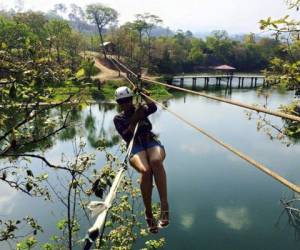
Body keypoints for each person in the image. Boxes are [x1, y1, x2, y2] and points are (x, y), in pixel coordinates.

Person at [113, 86, 169, 233]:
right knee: (145, 170)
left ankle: (164, 207)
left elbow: (153, 107)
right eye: (122, 101)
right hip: (135, 146)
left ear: (131, 99)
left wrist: (143, 94)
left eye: (127, 100)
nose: (125, 103)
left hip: (150, 141)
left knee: (156, 162)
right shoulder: (118, 118)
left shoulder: (141, 108)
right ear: (118, 103)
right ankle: (148, 213)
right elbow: (127, 136)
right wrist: (134, 120)